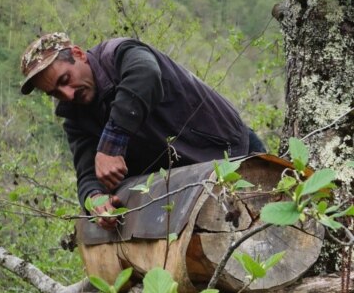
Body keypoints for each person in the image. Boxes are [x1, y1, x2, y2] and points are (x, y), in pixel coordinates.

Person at [19, 32, 264, 227]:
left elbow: (145, 75)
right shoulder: (75, 117)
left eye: (65, 80)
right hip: (187, 190)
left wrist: (110, 145)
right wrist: (94, 199)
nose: (68, 94)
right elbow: (87, 174)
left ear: (78, 54)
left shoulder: (120, 53)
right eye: (55, 93)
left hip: (234, 155)